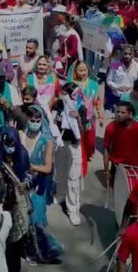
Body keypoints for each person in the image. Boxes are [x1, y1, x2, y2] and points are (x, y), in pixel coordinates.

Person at [0, 129, 31, 272]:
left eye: (12, 144)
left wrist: (26, 183)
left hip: (16, 205)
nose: (10, 147)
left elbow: (30, 174)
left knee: (15, 244)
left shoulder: (22, 154)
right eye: (7, 144)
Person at [21, 105, 63, 264]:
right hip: (20, 182)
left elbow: (47, 167)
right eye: (32, 120)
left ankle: (41, 251)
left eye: (38, 120)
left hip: (38, 185)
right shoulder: (21, 135)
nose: (34, 122)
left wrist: (31, 167)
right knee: (21, 220)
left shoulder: (47, 140)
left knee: (35, 221)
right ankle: (28, 249)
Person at [53, 82, 87, 225]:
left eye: (70, 94)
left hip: (74, 145)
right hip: (60, 144)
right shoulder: (58, 104)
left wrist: (78, 118)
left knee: (73, 179)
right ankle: (60, 195)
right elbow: (53, 122)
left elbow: (83, 130)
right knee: (60, 172)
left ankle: (73, 209)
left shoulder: (81, 108)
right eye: (65, 93)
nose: (66, 96)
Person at [104, 101, 138, 183]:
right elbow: (106, 151)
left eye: (123, 112)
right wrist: (106, 171)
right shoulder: (110, 128)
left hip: (134, 168)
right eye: (117, 112)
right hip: (117, 167)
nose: (119, 114)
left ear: (130, 114)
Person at [68, 59, 104, 169]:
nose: (84, 72)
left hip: (90, 119)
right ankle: (81, 161)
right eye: (80, 70)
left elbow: (97, 101)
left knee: (90, 142)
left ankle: (87, 155)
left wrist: (100, 115)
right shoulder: (71, 85)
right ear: (75, 71)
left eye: (85, 70)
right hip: (76, 119)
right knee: (79, 142)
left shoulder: (93, 84)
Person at [107, 44, 138, 111]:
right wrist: (118, 87)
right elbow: (108, 80)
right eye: (125, 53)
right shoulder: (115, 64)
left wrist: (134, 88)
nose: (127, 56)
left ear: (133, 54)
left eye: (130, 54)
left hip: (131, 98)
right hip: (117, 97)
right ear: (121, 53)